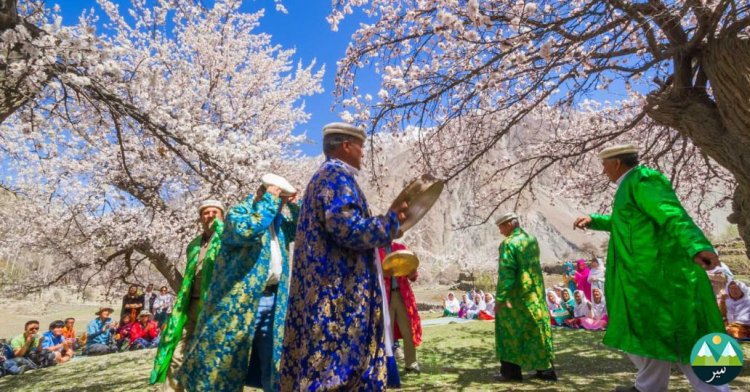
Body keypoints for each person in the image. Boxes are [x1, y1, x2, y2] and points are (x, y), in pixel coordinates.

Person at [573, 144, 726, 392]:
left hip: (660, 278)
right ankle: (648, 387)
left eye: (604, 165)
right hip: (642, 280)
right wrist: (596, 220)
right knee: (649, 335)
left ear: (616, 163)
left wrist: (697, 245)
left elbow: (671, 213)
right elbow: (629, 222)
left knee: (683, 333)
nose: (603, 172)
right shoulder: (629, 186)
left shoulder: (644, 180)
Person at [279, 122, 408, 390]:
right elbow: (348, 229)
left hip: (326, 294)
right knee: (336, 373)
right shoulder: (336, 178)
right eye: (360, 146)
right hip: (337, 301)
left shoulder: (325, 178)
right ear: (346, 146)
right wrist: (390, 223)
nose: (363, 153)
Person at [177, 178, 300, 392]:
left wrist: (293, 203)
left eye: (280, 201)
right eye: (276, 199)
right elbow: (248, 230)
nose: (278, 204)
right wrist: (270, 199)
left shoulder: (277, 225)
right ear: (262, 195)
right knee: (225, 366)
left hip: (272, 301)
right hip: (238, 304)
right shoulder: (238, 214)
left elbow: (301, 227)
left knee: (274, 363)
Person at [150, 199, 224, 391]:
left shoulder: (228, 239)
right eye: (206, 213)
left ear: (223, 216)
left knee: (208, 356)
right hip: (189, 306)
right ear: (200, 218)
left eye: (215, 212)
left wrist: (222, 230)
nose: (211, 216)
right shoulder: (193, 245)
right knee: (176, 354)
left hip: (214, 307)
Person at [493, 212, 557, 382]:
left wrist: (500, 298)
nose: (500, 231)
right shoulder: (531, 239)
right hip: (534, 295)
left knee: (510, 333)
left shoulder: (508, 244)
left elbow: (507, 273)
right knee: (536, 331)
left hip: (515, 299)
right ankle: (545, 370)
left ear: (508, 224)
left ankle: (511, 372)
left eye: (500, 227)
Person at [379, 242, 423, 373]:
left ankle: (411, 363)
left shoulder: (401, 248)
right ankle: (386, 367)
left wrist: (412, 272)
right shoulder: (375, 249)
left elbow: (413, 275)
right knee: (386, 333)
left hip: (403, 295)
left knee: (408, 330)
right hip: (385, 297)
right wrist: (384, 273)